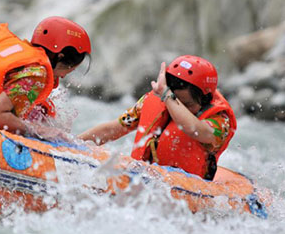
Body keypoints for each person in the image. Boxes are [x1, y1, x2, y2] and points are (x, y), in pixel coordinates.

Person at [79, 55, 237, 180]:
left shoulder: (220, 121)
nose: (177, 108)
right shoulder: (156, 99)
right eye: (175, 101)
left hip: (187, 188)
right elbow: (115, 128)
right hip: (146, 178)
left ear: (205, 99)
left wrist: (169, 97)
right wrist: (74, 144)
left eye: (186, 104)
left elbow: (194, 129)